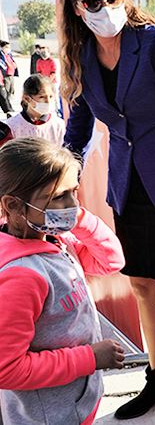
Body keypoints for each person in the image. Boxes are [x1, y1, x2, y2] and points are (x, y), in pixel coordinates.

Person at [60, 0, 155, 418]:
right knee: (143, 283)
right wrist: (60, 177)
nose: (106, 7)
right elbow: (79, 130)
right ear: (78, 6)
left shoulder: (154, 41)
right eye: (95, 1)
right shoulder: (80, 56)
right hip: (127, 183)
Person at [0, 137, 126, 425]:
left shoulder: (55, 238)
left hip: (75, 401)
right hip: (50, 415)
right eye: (59, 197)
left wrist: (76, 218)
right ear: (13, 205)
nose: (72, 204)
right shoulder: (21, 275)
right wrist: (90, 358)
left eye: (74, 192)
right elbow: (7, 369)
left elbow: (111, 260)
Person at [7, 75, 65, 145]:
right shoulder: (12, 126)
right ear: (27, 99)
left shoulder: (59, 125)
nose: (48, 101)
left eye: (51, 96)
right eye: (42, 97)